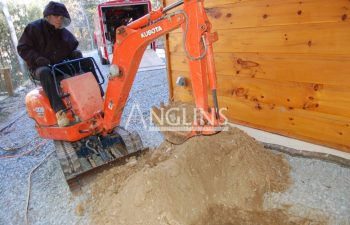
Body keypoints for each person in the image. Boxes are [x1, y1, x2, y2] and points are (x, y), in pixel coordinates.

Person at [17, 1, 100, 127]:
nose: (59, 20)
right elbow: (22, 48)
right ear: (48, 16)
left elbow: (73, 46)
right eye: (56, 16)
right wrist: (37, 58)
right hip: (40, 67)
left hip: (58, 65)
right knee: (45, 72)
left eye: (61, 17)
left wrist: (75, 55)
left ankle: (99, 96)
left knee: (85, 60)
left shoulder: (63, 32)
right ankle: (59, 111)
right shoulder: (33, 28)